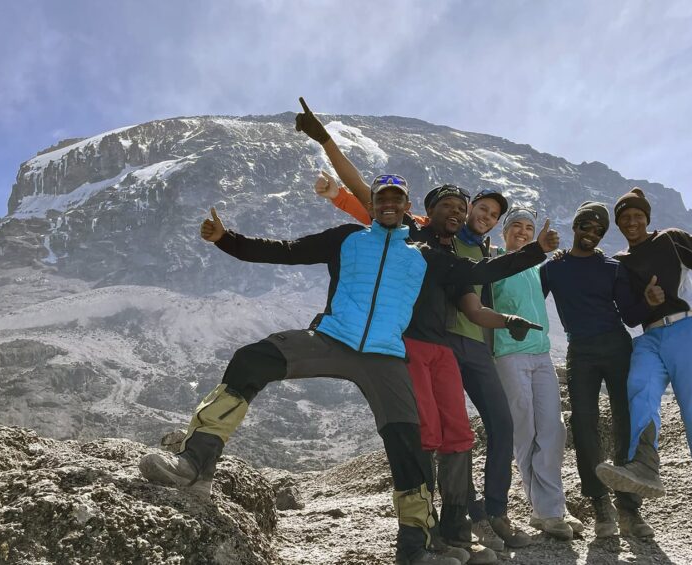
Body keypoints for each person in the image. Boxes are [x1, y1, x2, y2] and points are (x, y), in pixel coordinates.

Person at [138, 177, 458, 565]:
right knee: (252, 358)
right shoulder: (347, 237)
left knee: (409, 442)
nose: (388, 203)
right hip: (331, 339)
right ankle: (194, 465)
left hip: (385, 357)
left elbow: (482, 272)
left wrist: (534, 253)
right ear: (371, 204)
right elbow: (288, 251)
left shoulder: (423, 254)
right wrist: (227, 239)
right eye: (381, 198)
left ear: (406, 206)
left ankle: (416, 547)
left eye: (397, 198)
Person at [296, 99, 531, 550]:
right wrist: (325, 140)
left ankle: (458, 530)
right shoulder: (412, 233)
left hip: (445, 345)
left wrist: (529, 266)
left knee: (458, 435)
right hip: (408, 345)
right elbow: (362, 191)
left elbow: (477, 293)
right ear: (428, 210)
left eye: (465, 209)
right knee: (424, 434)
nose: (460, 214)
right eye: (452, 207)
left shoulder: (461, 255)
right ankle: (425, 531)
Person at [595, 187, 692, 542]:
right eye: (624, 217)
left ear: (647, 219)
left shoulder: (671, 239)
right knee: (639, 391)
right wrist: (648, 302)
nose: (631, 221)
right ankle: (645, 466)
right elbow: (629, 314)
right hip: (651, 336)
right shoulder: (619, 263)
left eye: (637, 215)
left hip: (688, 328)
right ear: (619, 224)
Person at [540, 201, 661, 539]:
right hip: (581, 352)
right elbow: (531, 299)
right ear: (575, 227)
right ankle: (599, 506)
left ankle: (629, 507)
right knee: (584, 423)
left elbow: (631, 316)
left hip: (617, 348)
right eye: (586, 227)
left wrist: (649, 302)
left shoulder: (611, 267)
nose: (591, 234)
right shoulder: (554, 268)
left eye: (598, 230)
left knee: (625, 419)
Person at [489, 206, 577, 541]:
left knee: (552, 428)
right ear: (504, 231)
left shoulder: (536, 266)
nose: (523, 232)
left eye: (529, 227)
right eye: (517, 227)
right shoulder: (494, 260)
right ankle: (546, 511)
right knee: (524, 430)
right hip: (508, 353)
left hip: (541, 354)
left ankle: (551, 508)